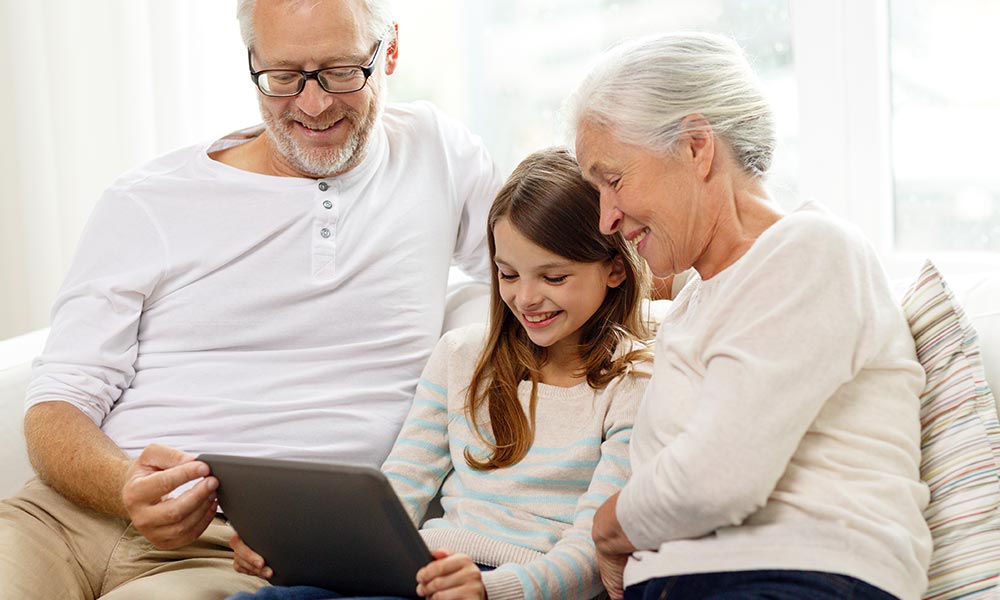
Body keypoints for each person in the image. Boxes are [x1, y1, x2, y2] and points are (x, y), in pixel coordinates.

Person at [0, 0, 503, 598]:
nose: (313, 106)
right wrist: (124, 485)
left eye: (342, 72)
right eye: (283, 77)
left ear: (389, 49)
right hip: (60, 520)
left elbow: (575, 263)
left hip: (239, 549)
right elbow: (56, 406)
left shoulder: (438, 154)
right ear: (252, 63)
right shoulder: (148, 201)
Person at [565, 32, 931, 600]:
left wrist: (608, 530)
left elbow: (716, 479)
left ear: (695, 146)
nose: (606, 219)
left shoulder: (810, 251)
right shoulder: (693, 304)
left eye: (612, 181)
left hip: (796, 576)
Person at [226, 148, 655, 600]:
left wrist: (493, 590)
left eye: (552, 278)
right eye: (508, 274)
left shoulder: (636, 384)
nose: (525, 298)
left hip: (522, 584)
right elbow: (397, 495)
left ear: (615, 269)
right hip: (424, 570)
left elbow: (595, 548)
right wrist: (297, 553)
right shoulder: (461, 356)